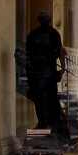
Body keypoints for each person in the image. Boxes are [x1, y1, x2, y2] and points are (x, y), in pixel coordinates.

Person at [26, 11, 67, 139]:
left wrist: (62, 68)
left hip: (42, 71)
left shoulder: (36, 34)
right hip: (43, 71)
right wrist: (63, 67)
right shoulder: (49, 34)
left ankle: (46, 123)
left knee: (44, 98)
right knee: (44, 98)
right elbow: (60, 51)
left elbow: (59, 51)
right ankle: (45, 124)